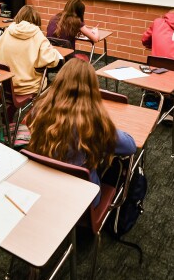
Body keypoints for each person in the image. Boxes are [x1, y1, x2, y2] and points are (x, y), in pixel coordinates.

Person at [26, 59, 136, 207]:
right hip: (83, 198)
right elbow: (130, 146)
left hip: (45, 184)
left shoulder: (38, 110)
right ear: (92, 88)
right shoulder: (93, 123)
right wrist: (107, 123)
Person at [0, 5, 61, 96]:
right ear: (36, 20)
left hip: (3, 84)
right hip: (27, 87)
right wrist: (53, 51)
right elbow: (51, 61)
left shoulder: (8, 30)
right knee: (53, 85)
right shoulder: (37, 34)